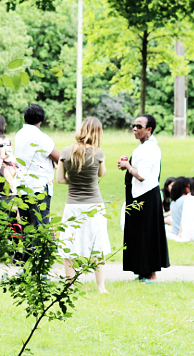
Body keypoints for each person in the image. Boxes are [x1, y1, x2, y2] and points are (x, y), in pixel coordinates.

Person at [56, 117, 110, 294]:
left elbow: (60, 179)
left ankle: (70, 286)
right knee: (97, 246)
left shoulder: (66, 151)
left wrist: (73, 181)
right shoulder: (98, 153)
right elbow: (100, 174)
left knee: (69, 246)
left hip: (73, 205)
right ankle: (101, 287)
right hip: (95, 205)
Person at [117, 114, 170, 283]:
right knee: (139, 235)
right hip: (138, 195)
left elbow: (141, 175)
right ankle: (142, 272)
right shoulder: (144, 146)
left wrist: (127, 166)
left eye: (139, 126)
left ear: (149, 130)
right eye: (134, 126)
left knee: (147, 235)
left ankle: (151, 274)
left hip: (146, 197)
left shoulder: (150, 148)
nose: (135, 129)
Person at [15, 104, 60, 228]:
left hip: (22, 186)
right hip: (38, 187)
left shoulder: (19, 135)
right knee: (40, 228)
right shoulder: (41, 137)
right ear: (41, 118)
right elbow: (59, 157)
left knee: (26, 228)